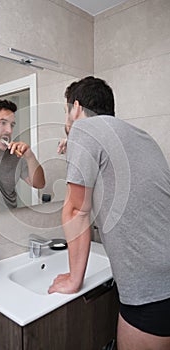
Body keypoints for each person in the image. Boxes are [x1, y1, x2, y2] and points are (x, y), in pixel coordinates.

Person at [48, 76, 170, 349]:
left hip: (151, 288)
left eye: (67, 111)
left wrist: (73, 279)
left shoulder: (84, 131)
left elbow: (78, 209)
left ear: (76, 107)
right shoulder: (140, 136)